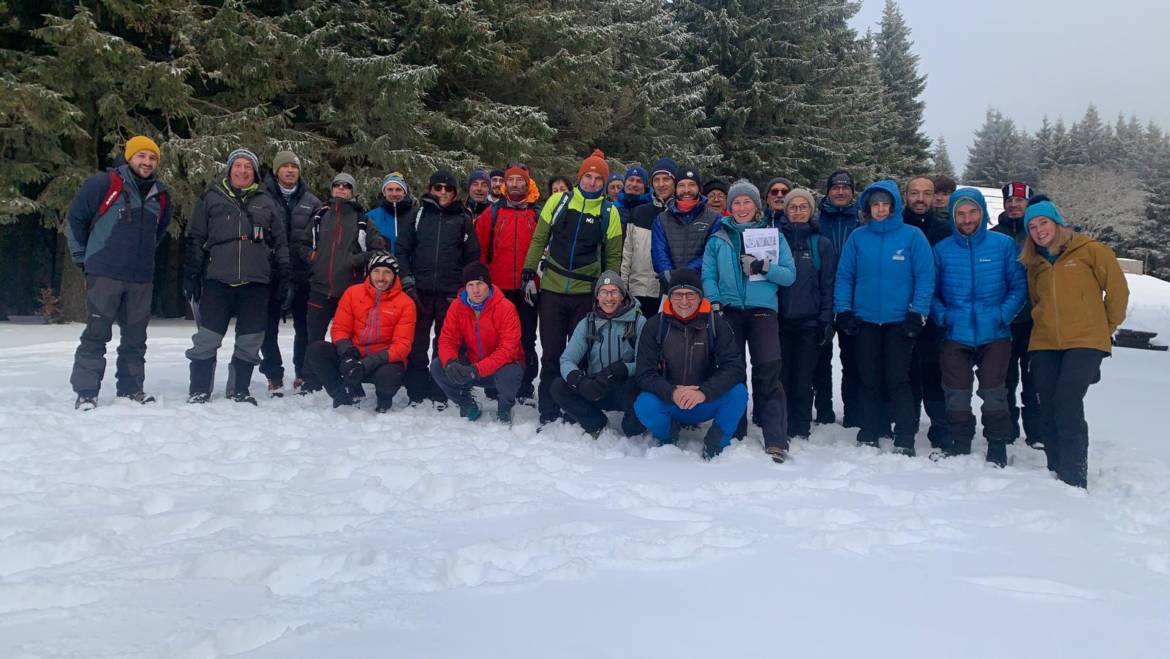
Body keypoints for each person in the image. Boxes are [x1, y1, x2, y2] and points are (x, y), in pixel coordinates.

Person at [1020, 199, 1128, 489]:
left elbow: (1117, 290)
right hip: (1044, 343)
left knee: (1067, 401)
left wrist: (1105, 329)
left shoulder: (1091, 251)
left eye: (1043, 222)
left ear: (1056, 222)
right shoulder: (1035, 262)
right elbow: (1036, 300)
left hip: (1085, 340)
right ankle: (1055, 466)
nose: (1039, 230)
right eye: (1032, 227)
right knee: (1048, 403)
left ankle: (1074, 474)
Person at [66, 135, 172, 410]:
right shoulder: (104, 184)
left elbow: (157, 232)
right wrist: (82, 258)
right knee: (96, 334)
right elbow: (76, 219)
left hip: (140, 278)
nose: (147, 162)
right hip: (105, 273)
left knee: (136, 338)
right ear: (129, 157)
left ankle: (131, 388)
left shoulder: (160, 195)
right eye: (142, 156)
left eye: (152, 158)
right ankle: (87, 392)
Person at [522, 149, 624, 424]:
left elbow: (613, 256)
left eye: (597, 179)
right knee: (552, 353)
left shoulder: (609, 212)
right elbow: (539, 239)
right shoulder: (558, 201)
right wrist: (529, 271)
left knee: (578, 357)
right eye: (588, 176)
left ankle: (572, 407)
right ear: (580, 176)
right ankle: (548, 409)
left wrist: (609, 290)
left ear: (604, 183)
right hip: (553, 290)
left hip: (584, 292)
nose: (592, 182)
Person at [184, 148, 291, 404]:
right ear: (230, 169)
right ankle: (199, 389)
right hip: (218, 279)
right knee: (207, 338)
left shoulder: (266, 201)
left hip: (256, 282)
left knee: (250, 339)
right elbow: (196, 237)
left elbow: (281, 242)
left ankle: (239, 389)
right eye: (238, 166)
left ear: (254, 172)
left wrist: (285, 276)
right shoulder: (212, 197)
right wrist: (192, 273)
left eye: (247, 167)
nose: (242, 171)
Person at [834, 180, 934, 455]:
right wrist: (843, 309)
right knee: (868, 378)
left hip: (899, 322)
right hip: (865, 321)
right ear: (868, 208)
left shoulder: (912, 237)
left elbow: (925, 277)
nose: (880, 209)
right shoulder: (858, 237)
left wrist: (918, 311)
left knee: (898, 378)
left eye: (885, 204)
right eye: (875, 205)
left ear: (893, 206)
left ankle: (904, 435)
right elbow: (845, 276)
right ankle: (870, 429)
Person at [701, 180, 797, 461]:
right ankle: (735, 427)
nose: (742, 208)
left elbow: (789, 275)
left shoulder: (772, 236)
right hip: (729, 310)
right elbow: (708, 275)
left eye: (747, 202)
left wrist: (762, 267)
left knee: (768, 369)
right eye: (737, 203)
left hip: (762, 310)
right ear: (730, 208)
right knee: (733, 371)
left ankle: (775, 437)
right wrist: (714, 300)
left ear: (757, 206)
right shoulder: (718, 238)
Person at [930, 189, 1027, 466]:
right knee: (956, 391)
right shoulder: (942, 250)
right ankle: (960, 441)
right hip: (955, 331)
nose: (967, 218)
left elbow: (1018, 286)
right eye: (961, 213)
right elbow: (932, 292)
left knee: (994, 390)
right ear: (953, 216)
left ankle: (997, 443)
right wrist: (943, 316)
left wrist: (1002, 314)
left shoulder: (1004, 245)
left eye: (972, 212)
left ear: (982, 213)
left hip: (994, 331)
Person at [634, 269, 748, 460]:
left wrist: (704, 391)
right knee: (644, 404)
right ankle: (667, 436)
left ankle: (716, 444)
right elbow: (644, 373)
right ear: (669, 297)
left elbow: (734, 367)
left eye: (690, 295)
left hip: (704, 400)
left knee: (738, 393)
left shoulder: (715, 324)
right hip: (671, 401)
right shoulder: (655, 325)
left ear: (700, 296)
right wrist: (672, 392)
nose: (684, 302)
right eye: (678, 295)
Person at [396, 170, 481, 406]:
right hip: (419, 290)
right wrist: (407, 280)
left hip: (449, 293)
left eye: (448, 188)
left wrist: (461, 290)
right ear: (430, 189)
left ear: (454, 193)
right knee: (417, 342)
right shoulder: (418, 214)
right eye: (438, 187)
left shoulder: (463, 219)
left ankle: (439, 390)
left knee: (445, 343)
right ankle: (416, 390)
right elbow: (402, 250)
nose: (442, 192)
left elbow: (472, 258)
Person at [296, 172, 385, 392]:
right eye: (338, 185)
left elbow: (378, 249)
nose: (342, 189)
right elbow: (303, 244)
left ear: (352, 192)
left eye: (347, 186)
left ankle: (349, 375)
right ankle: (311, 379)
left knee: (348, 337)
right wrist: (311, 258)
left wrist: (355, 260)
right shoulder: (320, 216)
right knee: (313, 335)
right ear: (332, 189)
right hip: (319, 287)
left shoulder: (362, 219)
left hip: (350, 290)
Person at [304, 252, 415, 411]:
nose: (381, 278)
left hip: (382, 360)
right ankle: (342, 394)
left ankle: (384, 401)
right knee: (316, 350)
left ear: (394, 276)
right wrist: (348, 354)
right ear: (369, 273)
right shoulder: (352, 293)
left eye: (387, 272)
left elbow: (402, 345)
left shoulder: (406, 303)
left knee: (390, 375)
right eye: (376, 271)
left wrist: (367, 363)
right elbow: (340, 328)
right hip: (354, 354)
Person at [551, 272, 647, 438]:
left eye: (614, 292)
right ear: (597, 296)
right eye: (603, 292)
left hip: (626, 386)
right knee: (559, 386)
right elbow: (567, 359)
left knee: (634, 424)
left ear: (622, 296)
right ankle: (595, 422)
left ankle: (633, 427)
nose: (609, 298)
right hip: (597, 385)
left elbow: (645, 363)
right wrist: (579, 381)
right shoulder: (587, 323)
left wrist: (621, 369)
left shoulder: (638, 322)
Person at [430, 262, 525, 423]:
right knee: (439, 366)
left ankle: (505, 407)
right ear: (465, 287)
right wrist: (451, 362)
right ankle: (466, 403)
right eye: (470, 285)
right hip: (471, 364)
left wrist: (478, 369)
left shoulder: (505, 308)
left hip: (500, 368)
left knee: (510, 372)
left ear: (488, 284)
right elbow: (447, 340)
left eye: (480, 284)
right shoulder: (457, 307)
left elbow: (508, 349)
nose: (475, 290)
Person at [475, 163, 540, 399]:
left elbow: (545, 249)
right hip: (498, 288)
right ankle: (494, 382)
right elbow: (480, 251)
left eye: (519, 181)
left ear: (527, 183)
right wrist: (482, 283)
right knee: (497, 337)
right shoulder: (491, 214)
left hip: (528, 288)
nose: (514, 185)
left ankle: (524, 385)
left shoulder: (536, 214)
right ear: (503, 184)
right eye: (510, 181)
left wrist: (537, 277)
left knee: (526, 338)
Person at [777, 188, 837, 440]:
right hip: (778, 320)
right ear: (786, 210)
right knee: (782, 374)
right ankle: (781, 420)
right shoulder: (777, 239)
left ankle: (801, 425)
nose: (798, 211)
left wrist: (826, 319)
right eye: (793, 207)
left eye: (803, 207)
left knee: (803, 376)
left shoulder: (821, 243)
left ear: (811, 211)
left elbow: (828, 285)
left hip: (809, 321)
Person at [260, 150, 321, 394]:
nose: (290, 170)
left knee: (305, 327)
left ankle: (303, 373)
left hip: (302, 274)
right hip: (270, 273)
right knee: (267, 326)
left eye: (294, 167)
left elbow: (318, 238)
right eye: (284, 166)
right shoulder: (261, 196)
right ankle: (274, 374)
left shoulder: (312, 201)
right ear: (276, 171)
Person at [993, 181, 1044, 448]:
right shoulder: (995, 235)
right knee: (1003, 379)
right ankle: (1007, 427)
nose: (1014, 205)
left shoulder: (1038, 234)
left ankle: (1036, 432)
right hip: (1003, 321)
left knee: (1034, 379)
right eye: (1010, 201)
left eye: (1019, 201)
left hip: (1034, 321)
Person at [903, 175, 950, 449]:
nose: (920, 198)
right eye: (915, 193)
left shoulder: (944, 231)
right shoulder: (896, 226)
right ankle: (905, 425)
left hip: (934, 313)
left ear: (934, 198)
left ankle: (941, 429)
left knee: (934, 372)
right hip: (900, 312)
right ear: (906, 196)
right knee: (904, 372)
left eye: (926, 193)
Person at [813, 170, 860, 426]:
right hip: (822, 296)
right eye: (835, 187)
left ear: (852, 192)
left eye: (845, 187)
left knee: (852, 358)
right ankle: (824, 408)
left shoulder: (861, 220)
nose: (840, 192)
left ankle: (853, 411)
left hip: (853, 299)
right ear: (828, 191)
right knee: (821, 356)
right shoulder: (817, 220)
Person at [625, 158, 678, 317]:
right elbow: (627, 254)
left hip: (670, 290)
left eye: (666, 179)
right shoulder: (640, 212)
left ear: (675, 181)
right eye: (657, 180)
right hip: (639, 290)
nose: (661, 184)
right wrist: (622, 286)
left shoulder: (682, 214)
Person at [651, 167, 721, 284]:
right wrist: (669, 276)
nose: (686, 190)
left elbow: (712, 253)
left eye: (692, 185)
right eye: (681, 185)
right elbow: (659, 253)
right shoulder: (662, 219)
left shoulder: (715, 219)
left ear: (699, 188)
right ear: (676, 189)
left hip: (703, 284)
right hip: (669, 284)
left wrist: (685, 274)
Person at [366, 172, 414, 253]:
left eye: (398, 189)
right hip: (382, 264)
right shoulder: (371, 216)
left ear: (405, 192)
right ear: (384, 192)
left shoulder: (416, 215)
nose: (394, 194)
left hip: (409, 265)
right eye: (390, 190)